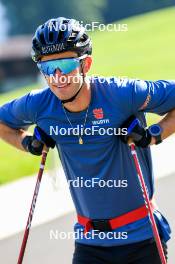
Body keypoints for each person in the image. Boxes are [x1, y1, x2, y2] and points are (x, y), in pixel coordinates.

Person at [0, 17, 175, 264]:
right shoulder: (39, 105)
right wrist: (28, 143)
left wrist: (153, 135)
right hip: (89, 244)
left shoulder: (122, 93)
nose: (58, 76)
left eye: (66, 64)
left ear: (86, 64)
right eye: (48, 68)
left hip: (142, 240)